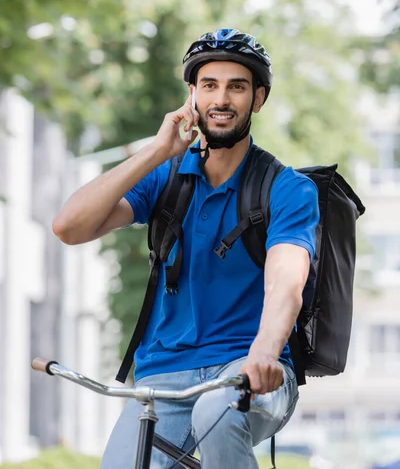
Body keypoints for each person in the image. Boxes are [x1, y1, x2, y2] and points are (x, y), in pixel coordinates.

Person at [52, 29, 320, 469]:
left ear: (258, 98)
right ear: (192, 95)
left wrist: (265, 352)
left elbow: (287, 281)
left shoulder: (287, 189)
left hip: (248, 371)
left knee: (216, 411)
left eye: (237, 86)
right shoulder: (166, 177)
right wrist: (157, 151)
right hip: (163, 378)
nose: (222, 98)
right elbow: (69, 227)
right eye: (209, 85)